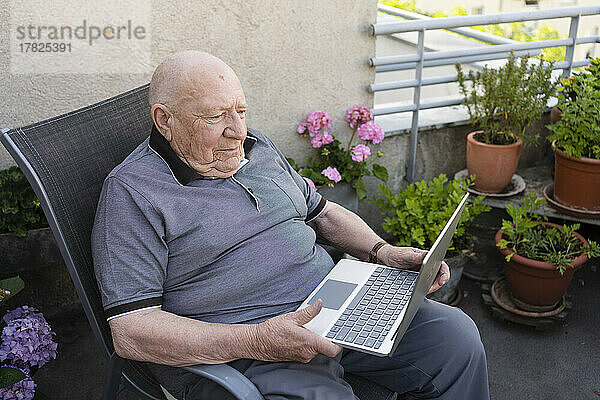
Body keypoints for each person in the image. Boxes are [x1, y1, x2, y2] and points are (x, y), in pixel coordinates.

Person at [91, 50, 489, 400]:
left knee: (457, 340)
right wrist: (259, 341)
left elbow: (324, 213)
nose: (238, 131)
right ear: (165, 121)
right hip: (245, 348)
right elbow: (131, 331)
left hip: (336, 307)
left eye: (241, 112)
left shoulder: (257, 148)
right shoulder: (133, 193)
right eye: (216, 117)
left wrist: (383, 252)